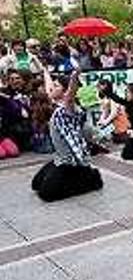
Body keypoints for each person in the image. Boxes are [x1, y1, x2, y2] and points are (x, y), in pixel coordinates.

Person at [32, 68, 103, 202]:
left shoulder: (70, 108)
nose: (52, 87)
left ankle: (91, 177)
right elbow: (49, 87)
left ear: (64, 91)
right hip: (60, 158)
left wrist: (74, 78)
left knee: (46, 195)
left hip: (72, 162)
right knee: (36, 184)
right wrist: (44, 71)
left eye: (57, 85)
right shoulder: (56, 104)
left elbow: (70, 95)